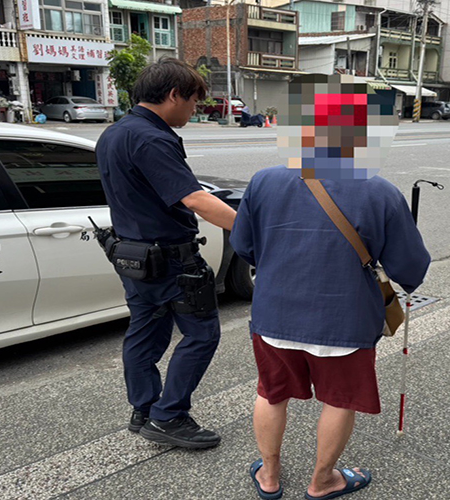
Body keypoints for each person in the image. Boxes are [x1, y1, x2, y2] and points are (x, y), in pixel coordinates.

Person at [230, 74, 431, 499]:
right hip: (344, 319)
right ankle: (323, 480)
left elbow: (245, 247)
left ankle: (269, 476)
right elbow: (410, 267)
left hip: (274, 315)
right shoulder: (380, 192)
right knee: (339, 399)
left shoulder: (263, 181)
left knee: (271, 392)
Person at [96, 58, 236, 449]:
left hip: (132, 257)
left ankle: (144, 410)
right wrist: (255, 229)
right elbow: (195, 199)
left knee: (144, 333)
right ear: (174, 95)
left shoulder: (114, 133)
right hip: (172, 260)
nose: (195, 109)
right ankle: (168, 416)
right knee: (202, 334)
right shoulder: (152, 139)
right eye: (193, 101)